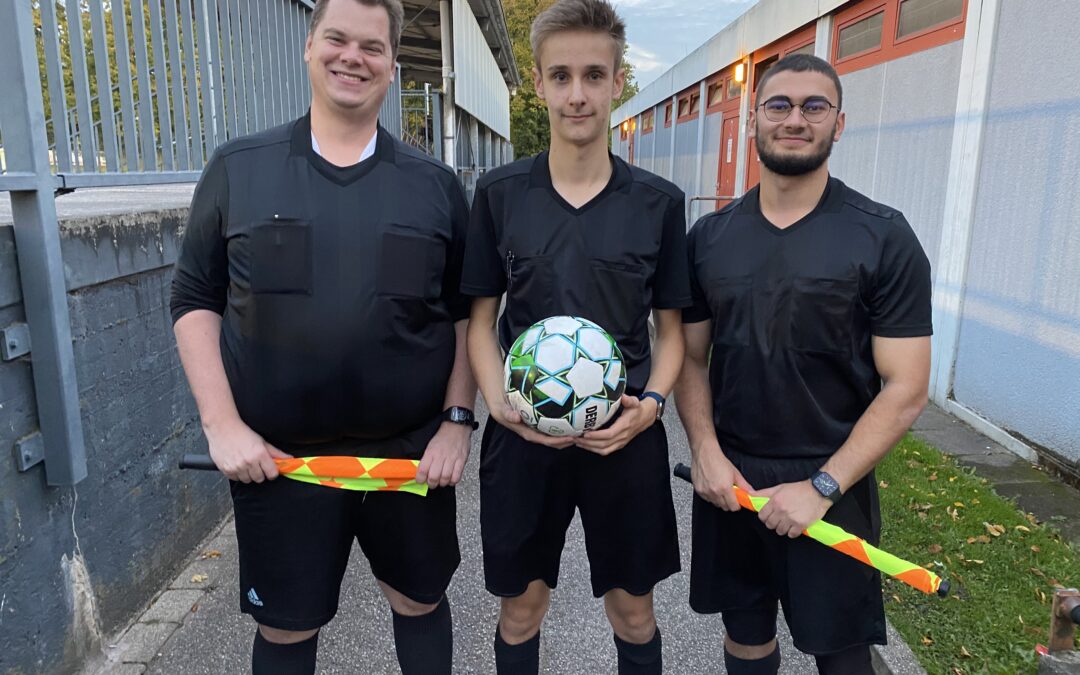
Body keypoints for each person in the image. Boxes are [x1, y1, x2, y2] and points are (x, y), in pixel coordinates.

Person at [169, 0, 476, 672]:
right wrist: (222, 425)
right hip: (278, 458)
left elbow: (464, 311)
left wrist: (457, 421)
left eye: (371, 47)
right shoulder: (237, 168)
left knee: (418, 600)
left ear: (393, 66)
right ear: (308, 47)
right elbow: (195, 298)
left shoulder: (434, 186)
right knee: (285, 627)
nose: (352, 57)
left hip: (408, 456)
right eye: (336, 39)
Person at [674, 53, 933, 675]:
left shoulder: (882, 236)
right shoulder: (708, 238)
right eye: (779, 105)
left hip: (831, 484)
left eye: (814, 107)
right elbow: (687, 356)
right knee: (745, 637)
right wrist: (706, 451)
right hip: (732, 479)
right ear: (755, 118)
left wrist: (822, 487)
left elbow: (907, 386)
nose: (796, 119)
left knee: (841, 652)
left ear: (839, 123)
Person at [461, 1, 690, 672]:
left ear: (619, 81)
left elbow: (671, 334)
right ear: (538, 84)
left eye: (595, 75)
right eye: (561, 76)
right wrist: (498, 401)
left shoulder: (659, 204)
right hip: (523, 436)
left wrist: (648, 408)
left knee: (634, 610)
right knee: (521, 607)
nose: (578, 94)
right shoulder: (499, 195)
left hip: (625, 438)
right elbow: (478, 322)